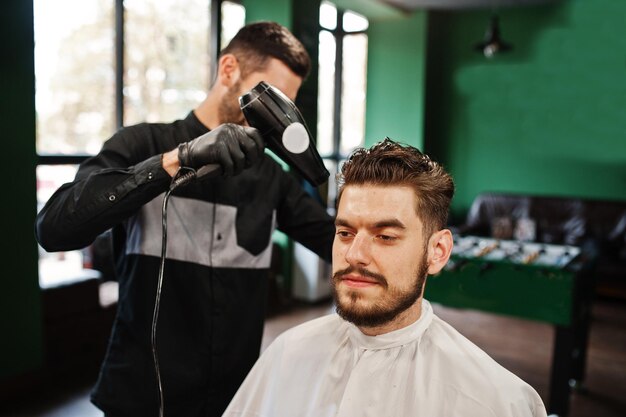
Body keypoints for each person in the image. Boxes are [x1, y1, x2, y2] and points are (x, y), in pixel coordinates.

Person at [35, 22, 334, 417]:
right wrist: (177, 160)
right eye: (267, 97)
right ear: (229, 70)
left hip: (234, 397)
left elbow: (336, 240)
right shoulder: (141, 144)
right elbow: (54, 228)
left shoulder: (271, 179)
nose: (272, 118)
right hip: (141, 395)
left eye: (284, 106)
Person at [222, 138, 548, 417]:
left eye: (386, 236)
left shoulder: (496, 400)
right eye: (346, 232)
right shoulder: (287, 353)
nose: (355, 254)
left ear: (437, 251)